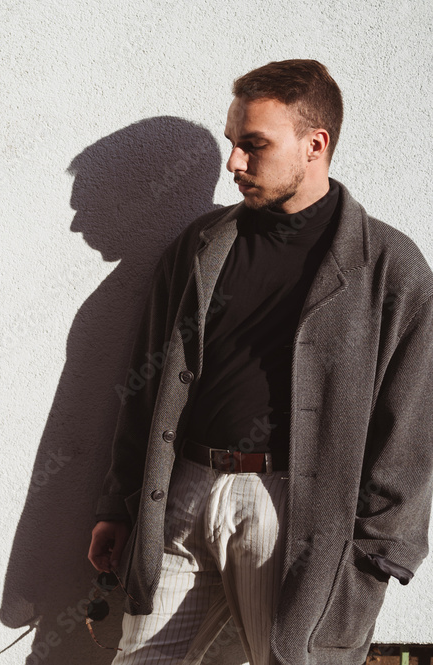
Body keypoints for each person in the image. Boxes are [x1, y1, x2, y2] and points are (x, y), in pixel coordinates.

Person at [87, 59, 433, 665]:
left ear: (314, 144)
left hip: (291, 507)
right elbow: (145, 386)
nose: (235, 164)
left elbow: (411, 426)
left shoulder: (389, 269)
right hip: (182, 494)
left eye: (253, 146)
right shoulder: (200, 248)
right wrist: (119, 503)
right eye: (232, 144)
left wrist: (379, 554)